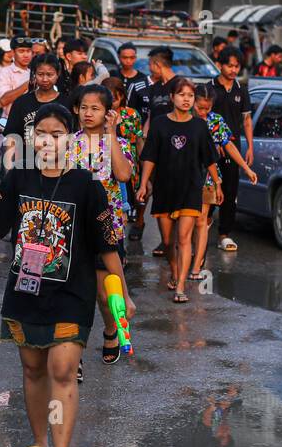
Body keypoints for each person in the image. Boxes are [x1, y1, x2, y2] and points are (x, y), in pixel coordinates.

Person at [0, 102, 130, 447]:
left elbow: (108, 246)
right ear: (32, 138)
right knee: (33, 370)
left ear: (68, 139)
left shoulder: (86, 186)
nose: (48, 141)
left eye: (57, 134)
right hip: (25, 289)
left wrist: (123, 293)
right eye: (42, 134)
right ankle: (39, 442)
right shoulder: (18, 180)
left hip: (72, 292)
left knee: (61, 372)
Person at [67, 84, 136, 376]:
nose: (88, 113)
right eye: (84, 107)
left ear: (109, 113)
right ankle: (74, 354)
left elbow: (123, 174)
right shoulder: (69, 142)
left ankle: (110, 331)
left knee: (104, 293)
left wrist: (111, 135)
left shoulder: (117, 143)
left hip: (109, 226)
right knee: (74, 293)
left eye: (95, 108)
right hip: (74, 227)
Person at [137, 76, 220, 303]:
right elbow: (150, 157)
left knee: (184, 239)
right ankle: (174, 270)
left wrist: (217, 184)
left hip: (191, 188)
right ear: (172, 97)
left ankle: (181, 286)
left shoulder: (199, 126)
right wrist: (144, 183)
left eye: (190, 96)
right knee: (167, 241)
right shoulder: (160, 124)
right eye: (182, 95)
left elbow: (209, 158)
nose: (186, 99)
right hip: (165, 188)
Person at [190, 84, 258, 280]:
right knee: (187, 222)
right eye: (199, 107)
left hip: (209, 177)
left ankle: (197, 263)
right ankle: (185, 256)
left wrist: (246, 168)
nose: (202, 112)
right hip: (184, 176)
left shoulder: (216, 121)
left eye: (207, 108)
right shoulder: (183, 119)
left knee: (201, 220)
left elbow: (229, 146)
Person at [212, 46, 254, 253]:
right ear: (220, 65)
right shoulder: (209, 88)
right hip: (210, 149)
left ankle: (224, 234)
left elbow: (246, 120)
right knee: (208, 187)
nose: (233, 69)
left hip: (233, 148)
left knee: (230, 191)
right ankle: (202, 225)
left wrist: (250, 148)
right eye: (229, 65)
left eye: (237, 66)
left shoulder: (241, 90)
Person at [2, 52, 63, 169]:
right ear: (34, 74)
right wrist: (9, 168)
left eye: (50, 74)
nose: (45, 79)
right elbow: (12, 137)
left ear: (58, 74)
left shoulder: (66, 102)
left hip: (58, 166)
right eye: (40, 74)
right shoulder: (22, 102)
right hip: (27, 165)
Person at [103, 75, 145, 239]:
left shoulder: (131, 115)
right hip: (105, 168)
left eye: (116, 97)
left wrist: (145, 171)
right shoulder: (100, 114)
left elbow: (139, 141)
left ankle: (121, 248)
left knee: (124, 208)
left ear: (122, 96)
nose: (113, 102)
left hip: (128, 168)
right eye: (109, 98)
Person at [0, 37, 33, 126]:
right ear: (13, 53)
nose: (26, 55)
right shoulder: (4, 72)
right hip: (9, 124)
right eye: (21, 51)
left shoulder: (33, 73)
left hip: (31, 125)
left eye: (28, 51)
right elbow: (2, 100)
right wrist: (28, 84)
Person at [115, 41, 149, 107]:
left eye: (132, 58)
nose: (128, 61)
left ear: (135, 58)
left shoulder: (143, 79)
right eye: (125, 57)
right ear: (119, 57)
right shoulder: (112, 75)